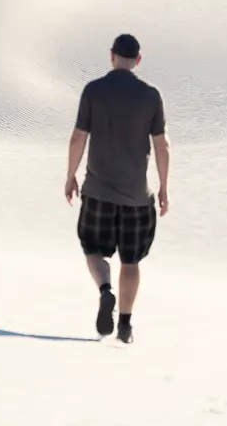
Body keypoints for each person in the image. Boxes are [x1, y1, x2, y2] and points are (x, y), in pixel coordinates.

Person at [64, 33, 170, 344]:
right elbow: (161, 147)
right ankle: (125, 325)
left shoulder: (94, 91)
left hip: (98, 192)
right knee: (131, 261)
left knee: (94, 250)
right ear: (137, 60)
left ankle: (105, 290)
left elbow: (78, 138)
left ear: (112, 56)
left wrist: (70, 175)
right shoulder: (151, 96)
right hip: (137, 196)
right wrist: (164, 187)